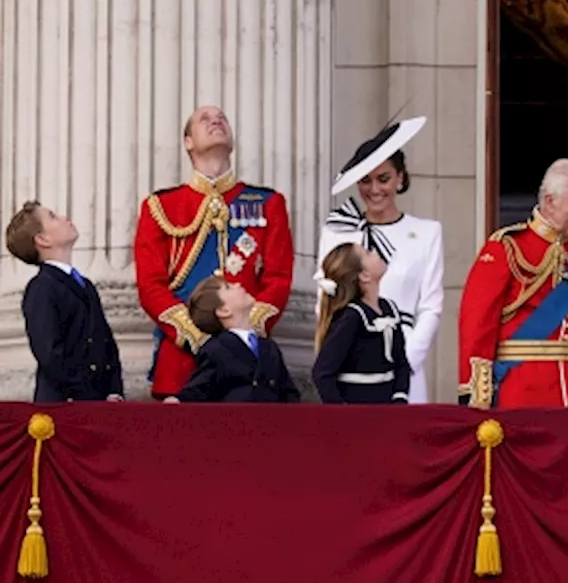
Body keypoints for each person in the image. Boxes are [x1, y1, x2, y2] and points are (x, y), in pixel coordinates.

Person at [135, 105, 295, 400]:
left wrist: (243, 332)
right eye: (204, 119)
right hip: (182, 367)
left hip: (250, 372)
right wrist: (198, 338)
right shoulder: (160, 207)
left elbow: (278, 279)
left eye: (222, 118)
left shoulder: (267, 203)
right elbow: (150, 285)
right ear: (188, 142)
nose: (217, 121)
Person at [457, 158, 568, 408]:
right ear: (549, 201)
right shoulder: (507, 248)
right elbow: (478, 324)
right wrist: (477, 394)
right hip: (519, 392)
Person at [318, 117, 442, 404]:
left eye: (383, 178)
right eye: (365, 180)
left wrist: (403, 362)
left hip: (405, 361)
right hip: (352, 368)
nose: (374, 189)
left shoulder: (427, 232)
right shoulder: (337, 232)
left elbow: (431, 307)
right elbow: (323, 301)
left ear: (400, 178)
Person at [5, 202, 123, 403]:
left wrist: (114, 390)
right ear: (43, 239)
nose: (63, 217)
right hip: (65, 404)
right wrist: (85, 393)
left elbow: (105, 341)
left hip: (98, 402)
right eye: (52, 216)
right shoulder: (42, 288)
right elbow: (50, 354)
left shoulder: (85, 285)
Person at [167, 275, 300, 403]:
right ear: (223, 310)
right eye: (228, 287)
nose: (238, 284)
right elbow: (200, 387)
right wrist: (179, 400)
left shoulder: (269, 346)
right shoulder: (216, 349)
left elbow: (288, 391)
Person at [312, 243, 411, 404]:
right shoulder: (352, 317)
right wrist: (343, 413)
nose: (374, 252)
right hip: (358, 410)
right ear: (364, 275)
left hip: (387, 409)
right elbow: (322, 373)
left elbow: (401, 362)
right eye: (367, 253)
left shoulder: (389, 309)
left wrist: (400, 396)